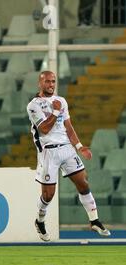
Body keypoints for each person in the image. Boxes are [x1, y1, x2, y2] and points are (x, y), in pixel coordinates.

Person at [27, 70, 110, 241]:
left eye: (53, 81)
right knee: (48, 195)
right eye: (48, 82)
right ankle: (40, 220)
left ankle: (94, 220)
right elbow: (44, 129)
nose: (51, 85)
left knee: (83, 183)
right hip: (48, 152)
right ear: (40, 83)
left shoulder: (61, 101)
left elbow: (68, 127)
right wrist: (55, 112)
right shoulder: (33, 105)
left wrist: (80, 147)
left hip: (66, 149)